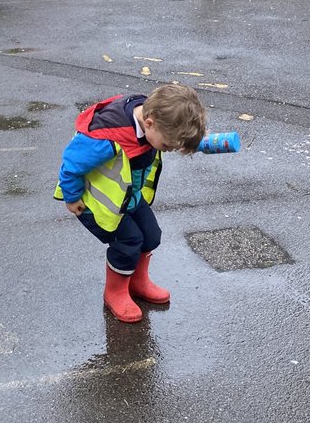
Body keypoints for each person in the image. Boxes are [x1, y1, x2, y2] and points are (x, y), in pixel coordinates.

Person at [54, 83, 206, 323]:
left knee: (151, 235)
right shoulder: (107, 137)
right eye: (167, 146)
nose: (167, 151)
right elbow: (72, 164)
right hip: (97, 202)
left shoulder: (154, 117)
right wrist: (71, 198)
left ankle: (137, 283)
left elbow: (171, 136)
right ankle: (115, 292)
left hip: (128, 197)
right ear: (149, 123)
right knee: (128, 242)